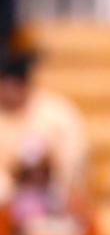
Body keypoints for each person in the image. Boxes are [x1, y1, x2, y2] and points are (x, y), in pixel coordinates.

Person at [0, 50, 87, 207]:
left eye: (10, 86)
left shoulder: (57, 113)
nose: (5, 93)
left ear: (23, 85)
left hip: (54, 195)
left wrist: (49, 169)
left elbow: (73, 159)